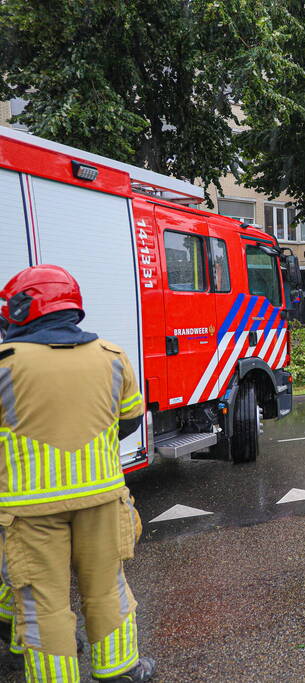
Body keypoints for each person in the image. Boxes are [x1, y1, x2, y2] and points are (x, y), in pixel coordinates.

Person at [0, 265, 155, 682]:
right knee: (107, 589)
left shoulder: (4, 365)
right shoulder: (112, 357)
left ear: (21, 309)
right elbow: (130, 421)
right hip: (103, 499)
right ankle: (121, 671)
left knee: (42, 603)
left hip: (28, 509)